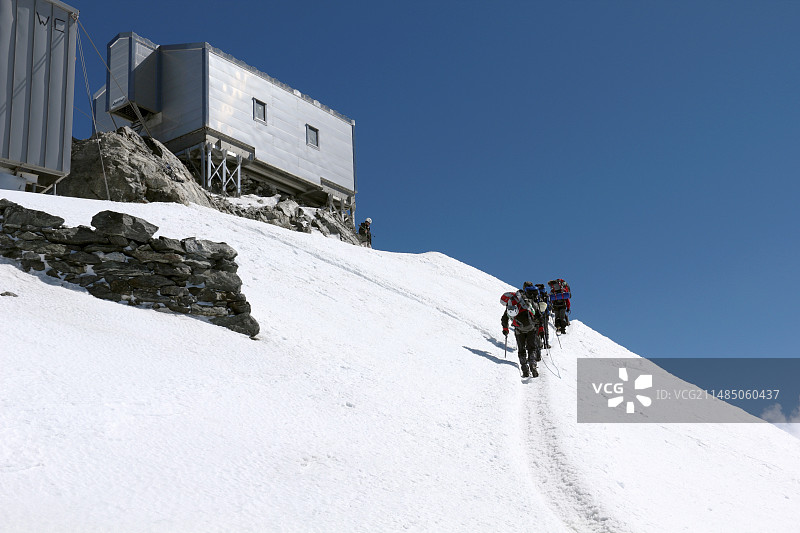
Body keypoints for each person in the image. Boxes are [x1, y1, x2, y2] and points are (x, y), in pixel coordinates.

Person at [501, 281, 548, 378]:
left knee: (521, 350)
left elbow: (505, 318)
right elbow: (538, 315)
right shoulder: (528, 301)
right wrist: (541, 328)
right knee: (532, 348)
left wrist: (505, 328)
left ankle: (525, 369)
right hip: (531, 328)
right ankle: (533, 365)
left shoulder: (511, 303)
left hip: (518, 330)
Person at [535, 283, 552, 349]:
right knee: (545, 328)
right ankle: (546, 343)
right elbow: (548, 305)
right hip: (545, 314)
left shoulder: (535, 294)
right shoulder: (545, 295)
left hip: (536, 314)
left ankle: (538, 343)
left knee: (537, 328)